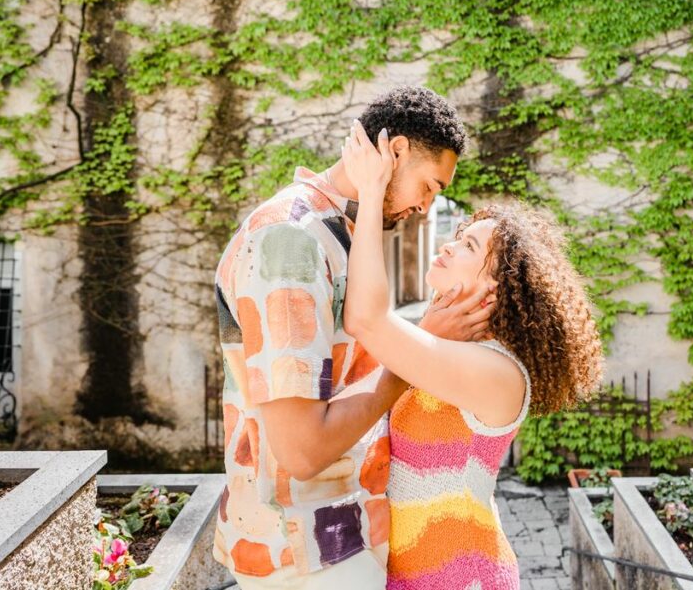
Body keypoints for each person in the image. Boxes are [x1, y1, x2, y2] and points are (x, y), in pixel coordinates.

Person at [212, 86, 496, 589]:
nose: (427, 209)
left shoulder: (344, 233)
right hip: (304, 551)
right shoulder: (291, 241)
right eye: (429, 187)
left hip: (346, 531)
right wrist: (415, 358)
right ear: (396, 151)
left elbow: (349, 373)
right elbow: (301, 450)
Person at [340, 120, 604, 589]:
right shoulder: (447, 347)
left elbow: (366, 319)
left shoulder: (497, 370)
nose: (447, 244)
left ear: (496, 286)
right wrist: (428, 331)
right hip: (407, 577)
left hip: (465, 578)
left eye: (468, 246)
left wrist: (371, 188)